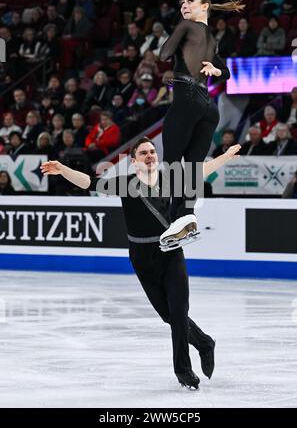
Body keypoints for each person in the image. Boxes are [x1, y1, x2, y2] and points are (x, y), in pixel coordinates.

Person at [41, 136, 241, 389]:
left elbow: (199, 171)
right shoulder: (126, 185)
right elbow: (89, 183)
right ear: (134, 161)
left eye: (152, 152)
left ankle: (183, 371)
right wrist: (63, 170)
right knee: (168, 316)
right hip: (141, 257)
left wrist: (225, 157)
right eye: (144, 153)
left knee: (179, 314)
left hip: (170, 252)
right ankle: (204, 343)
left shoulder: (170, 179)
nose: (150, 156)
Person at [158, 0, 244, 247]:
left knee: (173, 165)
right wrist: (215, 71)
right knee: (192, 169)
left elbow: (164, 53)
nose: (184, 5)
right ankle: (188, 220)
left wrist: (180, 29)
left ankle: (177, 220)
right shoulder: (211, 37)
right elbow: (226, 72)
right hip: (208, 107)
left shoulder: (187, 27)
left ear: (205, 6)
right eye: (182, 1)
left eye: (190, 1)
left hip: (186, 100)